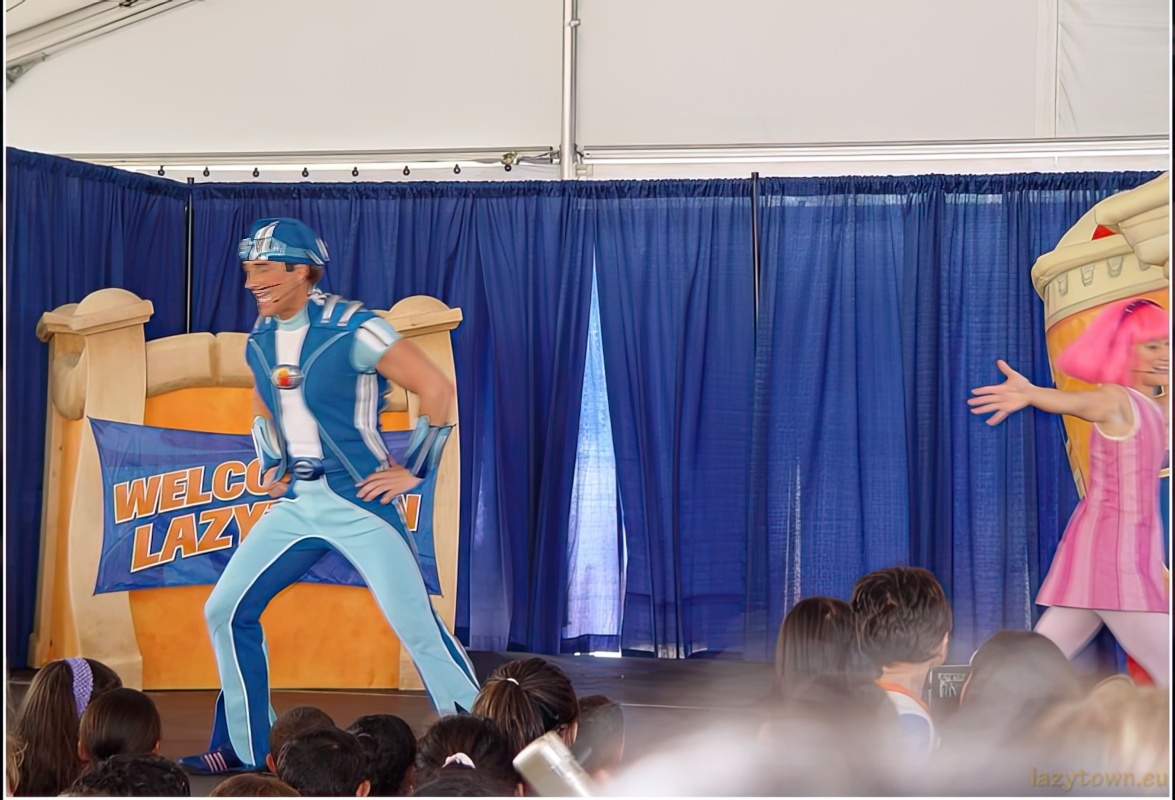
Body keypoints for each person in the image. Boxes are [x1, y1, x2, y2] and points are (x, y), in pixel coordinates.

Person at [181, 218, 479, 774]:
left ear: (302, 269)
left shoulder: (357, 328)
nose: (252, 281)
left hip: (361, 504)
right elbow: (263, 403)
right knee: (226, 609)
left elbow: (437, 388)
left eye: (265, 269)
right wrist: (270, 459)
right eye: (248, 270)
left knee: (417, 626)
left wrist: (412, 468)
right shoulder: (261, 339)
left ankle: (479, 751)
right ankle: (247, 752)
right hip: (297, 504)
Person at [969, 296, 1170, 686]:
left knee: (1037, 661)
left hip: (1113, 555)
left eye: (1166, 342)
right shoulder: (1116, 399)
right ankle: (984, 684)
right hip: (1117, 559)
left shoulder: (1150, 407)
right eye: (1151, 345)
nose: (1163, 353)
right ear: (1125, 350)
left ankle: (984, 683)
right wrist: (1031, 394)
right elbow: (1075, 402)